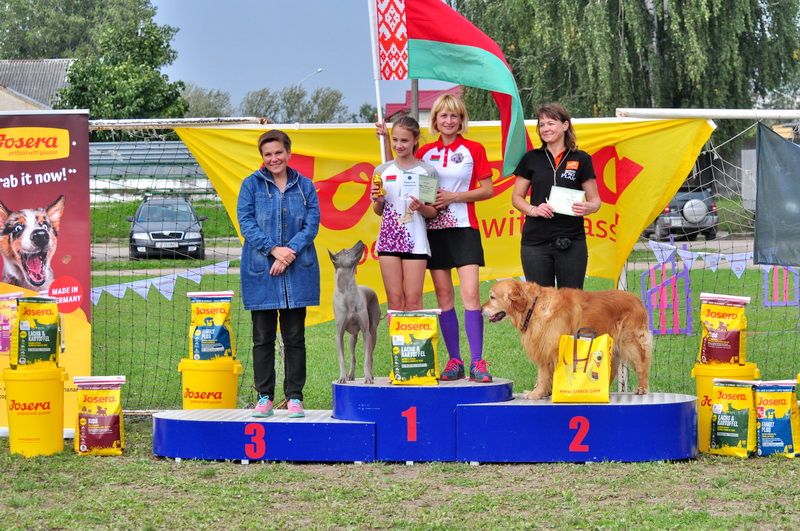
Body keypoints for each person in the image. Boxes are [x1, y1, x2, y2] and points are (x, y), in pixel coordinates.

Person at [377, 94, 494, 382]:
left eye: (454, 116)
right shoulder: (426, 153)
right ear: (435, 120)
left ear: (461, 120)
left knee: (470, 294)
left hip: (464, 227)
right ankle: (455, 361)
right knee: (443, 296)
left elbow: (488, 189)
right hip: (432, 230)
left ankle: (477, 362)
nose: (449, 121)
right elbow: (398, 166)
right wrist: (384, 138)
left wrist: (455, 197)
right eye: (443, 115)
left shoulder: (473, 149)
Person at [237, 129, 320, 419]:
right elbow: (246, 223)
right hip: (261, 274)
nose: (274, 158)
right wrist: (273, 249)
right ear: (262, 157)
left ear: (288, 153)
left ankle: (294, 397)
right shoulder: (250, 185)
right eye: (268, 154)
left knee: (295, 338)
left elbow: (312, 224)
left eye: (278, 152)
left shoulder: (305, 186)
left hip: (298, 274)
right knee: (262, 338)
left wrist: (289, 252)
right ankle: (264, 397)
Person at [511, 103, 601, 289]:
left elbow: (595, 201)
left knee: (571, 301)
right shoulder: (531, 158)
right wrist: (533, 210)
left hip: (571, 240)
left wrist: (589, 207)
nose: (545, 129)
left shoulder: (581, 158)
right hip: (535, 241)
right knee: (538, 300)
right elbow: (516, 198)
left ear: (565, 125)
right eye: (541, 125)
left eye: (551, 123)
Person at [371, 116, 439, 311]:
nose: (398, 145)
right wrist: (378, 201)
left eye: (404, 140)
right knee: (394, 300)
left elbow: (432, 212)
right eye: (395, 140)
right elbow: (378, 211)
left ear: (415, 140)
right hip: (388, 241)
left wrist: (420, 207)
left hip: (415, 242)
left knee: (413, 300)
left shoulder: (427, 171)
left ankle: (414, 333)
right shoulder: (381, 170)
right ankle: (395, 333)